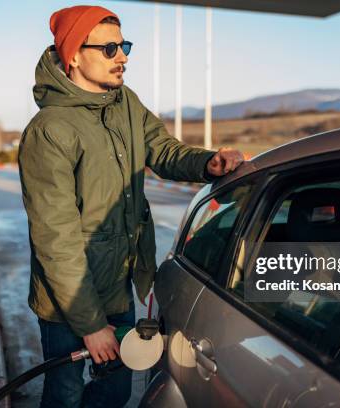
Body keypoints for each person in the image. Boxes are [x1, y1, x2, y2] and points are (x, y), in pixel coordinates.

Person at [18, 5, 244, 408]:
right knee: (65, 394)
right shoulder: (49, 130)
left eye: (124, 46)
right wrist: (89, 326)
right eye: (109, 49)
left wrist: (207, 162)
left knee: (116, 389)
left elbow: (163, 149)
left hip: (118, 289)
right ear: (73, 55)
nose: (122, 56)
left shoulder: (125, 103)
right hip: (67, 301)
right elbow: (57, 240)